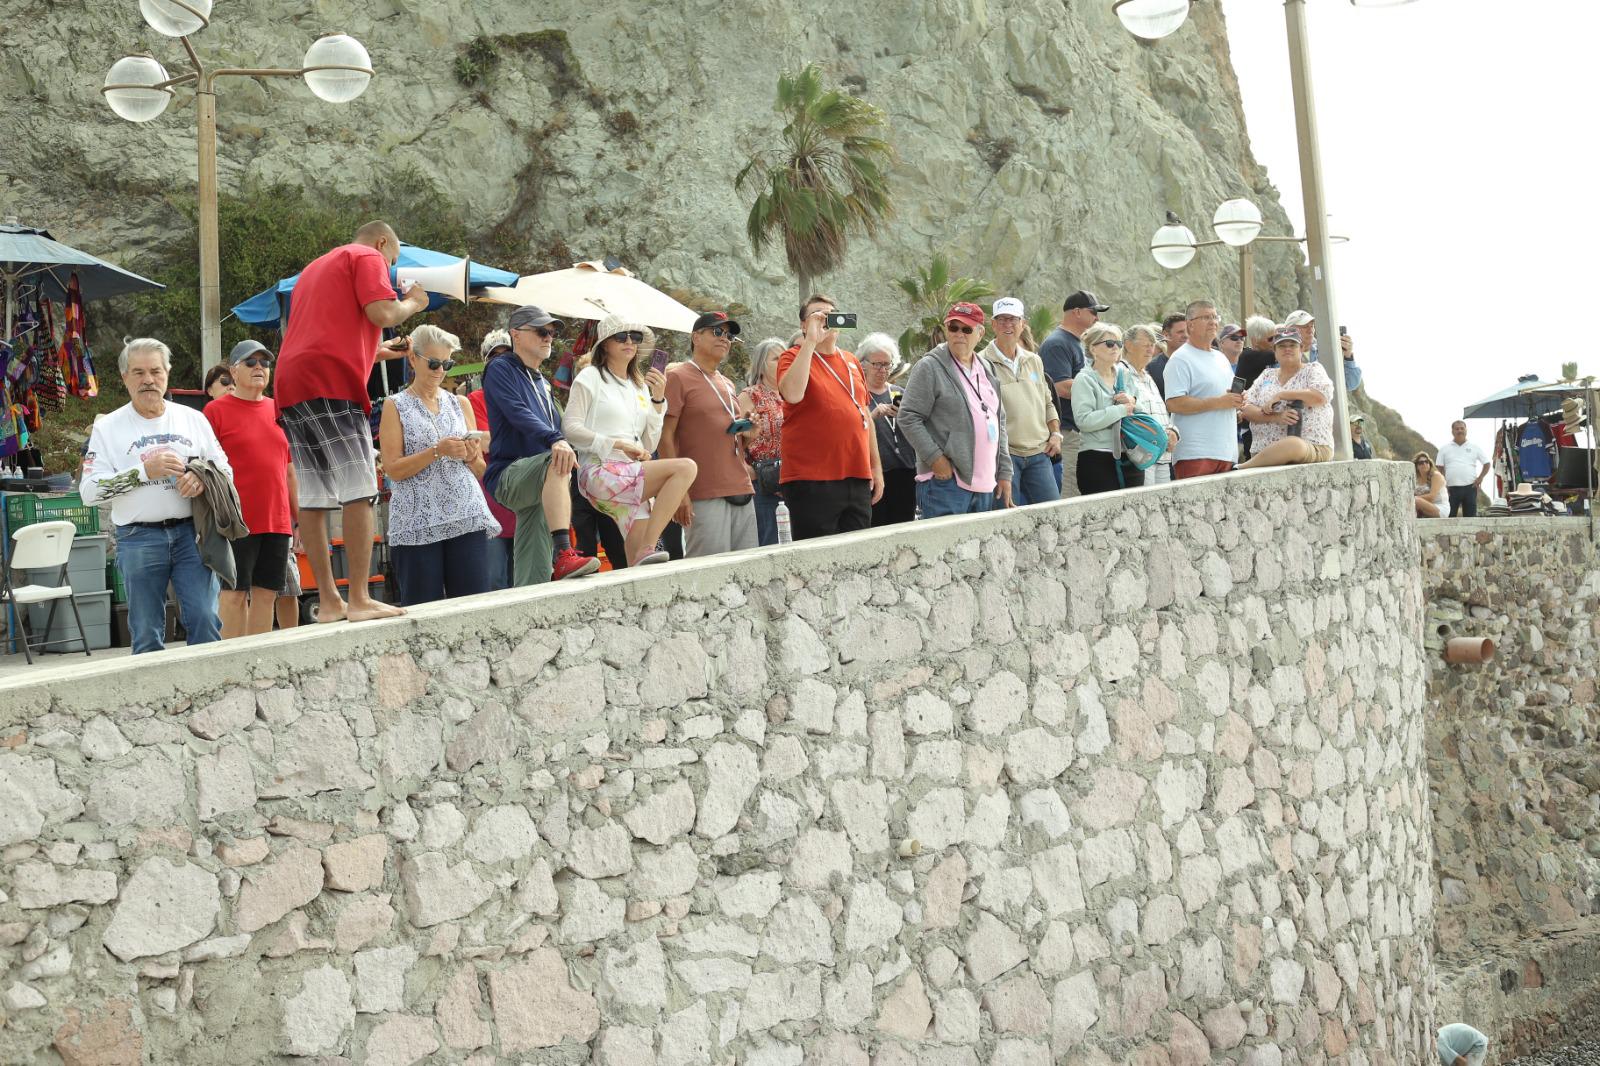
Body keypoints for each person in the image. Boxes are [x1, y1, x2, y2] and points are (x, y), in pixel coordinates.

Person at [274, 220, 428, 623]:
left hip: (293, 382)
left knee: (314, 491)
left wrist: (381, 353)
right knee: (359, 488)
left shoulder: (314, 269)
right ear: (382, 243)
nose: (389, 268)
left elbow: (328, 336)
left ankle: (328, 601)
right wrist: (413, 302)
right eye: (391, 260)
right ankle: (359, 597)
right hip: (333, 383)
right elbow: (381, 311)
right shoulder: (366, 255)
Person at [81, 338, 232, 654]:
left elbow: (225, 471)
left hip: (194, 534)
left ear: (167, 373)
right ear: (124, 377)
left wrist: (201, 479)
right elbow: (89, 493)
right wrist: (143, 471)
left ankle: (207, 697)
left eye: (155, 371)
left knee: (205, 619)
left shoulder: (194, 419)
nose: (148, 380)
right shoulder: (107, 428)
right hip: (138, 538)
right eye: (138, 372)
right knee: (147, 633)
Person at [378, 325, 501, 606]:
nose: (440, 370)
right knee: (423, 611)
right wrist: (437, 451)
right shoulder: (394, 405)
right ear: (413, 359)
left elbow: (480, 469)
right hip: (417, 521)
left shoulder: (460, 403)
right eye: (433, 363)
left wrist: (470, 455)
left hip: (466, 514)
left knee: (473, 607)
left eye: (447, 363)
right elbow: (393, 468)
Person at [565, 314, 695, 566]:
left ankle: (643, 552)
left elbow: (649, 445)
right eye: (620, 336)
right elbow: (570, 428)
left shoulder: (639, 386)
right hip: (600, 470)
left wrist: (658, 400)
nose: (629, 342)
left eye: (634, 337)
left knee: (637, 564)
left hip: (630, 473)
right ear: (604, 344)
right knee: (685, 467)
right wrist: (615, 444)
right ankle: (650, 544)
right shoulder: (590, 376)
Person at [484, 305, 600, 584]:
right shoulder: (500, 367)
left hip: (541, 479)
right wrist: (556, 440)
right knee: (555, 459)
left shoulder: (541, 382)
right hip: (509, 473)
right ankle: (564, 552)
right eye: (540, 331)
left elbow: (564, 428)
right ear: (516, 334)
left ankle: (527, 613)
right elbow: (516, 411)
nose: (548, 337)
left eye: (551, 332)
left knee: (533, 571)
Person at [203, 339, 297, 638]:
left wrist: (300, 517)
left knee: (268, 594)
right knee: (234, 593)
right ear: (234, 370)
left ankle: (260, 664)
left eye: (265, 363)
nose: (259, 368)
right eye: (250, 362)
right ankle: (233, 666)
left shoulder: (279, 409)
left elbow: (290, 469)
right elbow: (206, 468)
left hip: (277, 520)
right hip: (235, 521)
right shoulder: (215, 411)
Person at [777, 294, 884, 539]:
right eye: (818, 316)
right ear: (804, 325)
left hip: (856, 475)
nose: (826, 320)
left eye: (831, 314)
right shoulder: (793, 356)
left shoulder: (851, 361)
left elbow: (864, 414)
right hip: (812, 478)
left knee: (858, 553)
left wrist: (876, 468)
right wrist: (811, 342)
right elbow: (792, 393)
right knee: (817, 557)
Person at [898, 302, 1013, 517]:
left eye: (966, 329)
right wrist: (936, 461)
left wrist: (1005, 471)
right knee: (940, 550)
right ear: (946, 330)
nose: (959, 334)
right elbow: (907, 417)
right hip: (946, 485)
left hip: (986, 484)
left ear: (980, 333)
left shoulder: (987, 368)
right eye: (953, 328)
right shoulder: (929, 366)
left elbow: (999, 422)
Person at [660, 312, 758, 557]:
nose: (725, 338)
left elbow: (725, 437)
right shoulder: (677, 377)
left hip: (740, 486)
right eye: (717, 332)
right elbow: (665, 436)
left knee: (746, 571)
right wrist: (678, 492)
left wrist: (749, 433)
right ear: (696, 337)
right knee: (708, 574)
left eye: (729, 335)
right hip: (703, 490)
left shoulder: (727, 382)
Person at [984, 297, 1061, 506]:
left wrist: (1055, 433)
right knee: (1005, 519)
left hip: (1039, 453)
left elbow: (1047, 401)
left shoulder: (1034, 360)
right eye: (1001, 319)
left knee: (1052, 514)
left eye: (1013, 319)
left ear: (1022, 324)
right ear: (993, 324)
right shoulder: (981, 362)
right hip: (1004, 457)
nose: (1007, 325)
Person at [1164, 300, 1243, 479]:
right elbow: (1174, 403)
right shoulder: (1180, 359)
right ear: (1190, 324)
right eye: (1206, 317)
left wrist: (1236, 401)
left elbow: (1224, 397)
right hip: (1195, 453)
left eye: (1215, 317)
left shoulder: (1221, 358)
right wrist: (1219, 402)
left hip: (1227, 452)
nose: (1213, 322)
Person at [1038, 290, 1107, 496]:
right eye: (1093, 312)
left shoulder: (1075, 342)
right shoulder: (1057, 343)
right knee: (1069, 493)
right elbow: (1059, 387)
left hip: (1078, 432)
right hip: (1066, 432)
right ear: (1076, 312)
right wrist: (1103, 392)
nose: (1097, 318)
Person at [1238, 328, 1335, 468]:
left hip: (1311, 446)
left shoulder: (1313, 369)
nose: (1287, 349)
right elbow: (1246, 408)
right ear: (1275, 352)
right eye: (1282, 346)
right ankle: (1251, 464)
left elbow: (1320, 396)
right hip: (1262, 451)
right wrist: (1277, 417)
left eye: (1292, 345)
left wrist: (1282, 395)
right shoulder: (1267, 375)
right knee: (1290, 443)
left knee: (1293, 444)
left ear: (1301, 349)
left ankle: (1242, 468)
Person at [468, 329, 517, 590]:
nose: (501, 362)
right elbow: (481, 441)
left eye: (507, 356)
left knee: (525, 581)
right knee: (494, 580)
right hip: (490, 501)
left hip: (523, 500)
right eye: (494, 357)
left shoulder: (527, 394)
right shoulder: (475, 399)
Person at [1071, 323, 1142, 494]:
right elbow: (1084, 421)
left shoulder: (1125, 375)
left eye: (1119, 344)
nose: (1115, 348)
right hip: (1097, 458)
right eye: (1109, 344)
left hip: (1131, 454)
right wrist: (1122, 410)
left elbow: (1141, 411)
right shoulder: (1084, 379)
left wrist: (1132, 402)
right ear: (1093, 349)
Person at [857, 333, 917, 526]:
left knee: (905, 526)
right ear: (863, 364)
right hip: (877, 472)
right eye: (877, 364)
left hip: (905, 470)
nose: (882, 370)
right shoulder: (859, 396)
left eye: (887, 364)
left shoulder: (899, 393)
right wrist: (873, 416)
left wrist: (905, 416)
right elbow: (854, 430)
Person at [738, 338, 786, 545]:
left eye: (786, 357)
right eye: (776, 358)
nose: (784, 362)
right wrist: (743, 467)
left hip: (795, 479)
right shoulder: (750, 395)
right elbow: (734, 438)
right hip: (764, 483)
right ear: (761, 365)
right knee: (771, 541)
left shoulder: (793, 393)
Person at [1123, 324, 1179, 484]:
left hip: (1162, 454)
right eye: (1146, 345)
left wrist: (1172, 431)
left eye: (1152, 345)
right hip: (1141, 455)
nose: (1151, 350)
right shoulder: (1121, 373)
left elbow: (1162, 414)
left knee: (1163, 506)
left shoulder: (1147, 376)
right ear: (1128, 345)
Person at [1284, 309, 1363, 392]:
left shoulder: (1325, 350)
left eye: (1312, 326)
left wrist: (1348, 356)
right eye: (1304, 326)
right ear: (1290, 330)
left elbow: (1350, 383)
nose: (1310, 329)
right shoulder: (1280, 355)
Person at [1437, 420, 1490, 517]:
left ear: (1466, 430)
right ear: (1452, 431)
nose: (1460, 431)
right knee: (1449, 517)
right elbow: (1439, 467)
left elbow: (1487, 463)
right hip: (1451, 489)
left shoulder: (1474, 447)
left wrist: (1480, 478)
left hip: (1470, 487)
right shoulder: (1444, 448)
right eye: (1457, 429)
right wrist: (1444, 484)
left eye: (1462, 428)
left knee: (1470, 518)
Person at [1150, 312, 1189, 397]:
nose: (1186, 335)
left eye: (1188, 331)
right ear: (1166, 335)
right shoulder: (1152, 368)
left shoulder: (1200, 362)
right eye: (1180, 332)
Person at [1413, 453, 1447, 517]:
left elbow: (1432, 497)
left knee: (1415, 500)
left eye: (1426, 462)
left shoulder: (1436, 475)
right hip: (1424, 508)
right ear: (1417, 466)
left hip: (1439, 508)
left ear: (1430, 464)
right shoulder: (1416, 479)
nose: (1424, 464)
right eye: (1421, 463)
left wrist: (1411, 499)